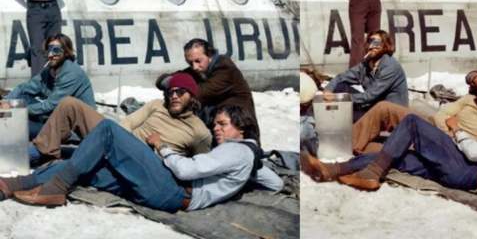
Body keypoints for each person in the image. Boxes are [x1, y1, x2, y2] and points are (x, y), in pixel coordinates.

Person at [0, 105, 283, 211]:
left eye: (223, 124)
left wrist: (161, 146)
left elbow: (186, 169)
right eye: (216, 123)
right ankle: (13, 185)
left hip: (172, 188)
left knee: (107, 130)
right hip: (166, 191)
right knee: (89, 167)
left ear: (241, 127)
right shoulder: (247, 156)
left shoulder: (236, 150)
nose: (216, 128)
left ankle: (54, 190)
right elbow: (276, 184)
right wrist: (251, 169)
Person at [301, 90, 477, 192]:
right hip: (465, 173)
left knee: (412, 123)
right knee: (401, 156)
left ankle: (370, 175)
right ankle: (333, 169)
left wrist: (457, 131)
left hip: (469, 170)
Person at [28, 72, 212, 168]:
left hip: (141, 162)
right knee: (69, 104)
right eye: (171, 92)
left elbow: (199, 168)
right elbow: (129, 122)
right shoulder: (157, 105)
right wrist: (121, 139)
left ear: (193, 96)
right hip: (120, 141)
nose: (174, 96)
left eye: (181, 92)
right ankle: (41, 151)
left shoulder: (199, 132)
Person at [353, 73, 477, 155]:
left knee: (388, 149)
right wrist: (449, 131)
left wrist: (454, 133)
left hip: (444, 146)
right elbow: (442, 114)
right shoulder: (469, 100)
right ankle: (348, 145)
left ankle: (356, 149)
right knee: (384, 108)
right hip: (432, 124)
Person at [155, 39, 258, 140]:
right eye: (190, 63)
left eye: (198, 61)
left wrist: (179, 86)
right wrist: (176, 84)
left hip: (239, 136)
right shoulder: (199, 70)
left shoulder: (226, 70)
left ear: (210, 56)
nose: (195, 67)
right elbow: (161, 80)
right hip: (217, 132)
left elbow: (198, 92)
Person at [4, 34, 95, 140]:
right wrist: (5, 103)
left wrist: (19, 111)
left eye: (56, 50)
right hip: (55, 115)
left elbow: (50, 105)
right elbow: (23, 87)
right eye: (48, 51)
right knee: (20, 96)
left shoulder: (72, 72)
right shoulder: (51, 70)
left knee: (20, 127)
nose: (50, 55)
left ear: (66, 52)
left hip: (73, 126)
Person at [323, 30, 408, 122]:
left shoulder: (390, 66)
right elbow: (341, 77)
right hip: (373, 106)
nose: (371, 47)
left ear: (385, 45)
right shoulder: (366, 64)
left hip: (389, 113)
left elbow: (370, 95)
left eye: (376, 43)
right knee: (340, 86)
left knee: (345, 117)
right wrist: (328, 90)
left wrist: (340, 98)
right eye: (369, 42)